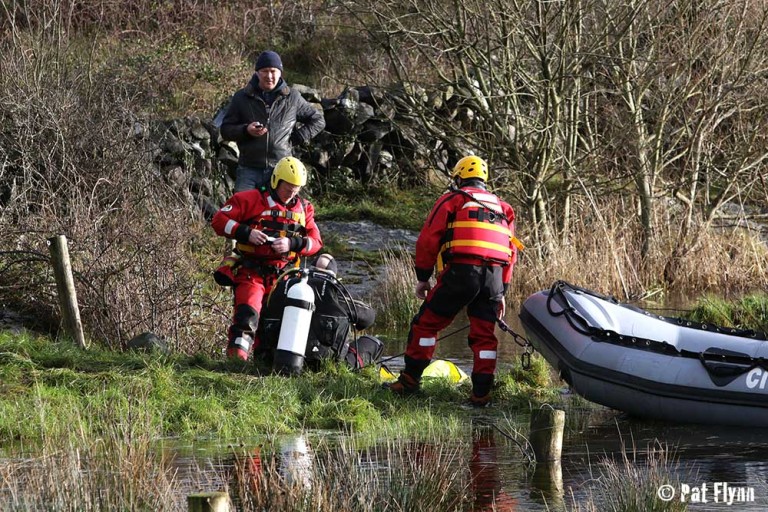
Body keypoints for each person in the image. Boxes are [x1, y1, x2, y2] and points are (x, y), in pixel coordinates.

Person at [385, 155, 518, 406]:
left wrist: (423, 277)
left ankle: (409, 381)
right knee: (484, 336)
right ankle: (481, 395)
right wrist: (502, 292)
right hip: (494, 279)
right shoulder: (504, 208)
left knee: (425, 325)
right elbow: (511, 253)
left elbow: (428, 239)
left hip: (462, 273)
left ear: (458, 178)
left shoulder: (453, 199)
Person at [211, 156, 322, 361]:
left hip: (284, 276)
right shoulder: (249, 199)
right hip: (252, 271)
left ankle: (264, 364)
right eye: (288, 188)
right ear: (276, 181)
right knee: (247, 317)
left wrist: (292, 244)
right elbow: (219, 221)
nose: (291, 194)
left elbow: (315, 242)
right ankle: (236, 362)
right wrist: (245, 233)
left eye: (296, 189)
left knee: (274, 324)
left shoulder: (304, 209)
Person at [220, 50, 326, 193]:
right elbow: (225, 130)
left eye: (273, 71)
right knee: (244, 212)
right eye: (264, 71)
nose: (269, 76)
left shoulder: (292, 97)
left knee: (277, 214)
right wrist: (246, 130)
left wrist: (295, 139)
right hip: (248, 169)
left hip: (282, 169)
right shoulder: (241, 97)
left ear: (280, 72)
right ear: (257, 73)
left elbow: (318, 120)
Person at [259, 253, 383, 370]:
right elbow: (368, 317)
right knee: (373, 343)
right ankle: (371, 375)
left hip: (278, 360)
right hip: (324, 365)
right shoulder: (334, 294)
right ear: (334, 277)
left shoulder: (286, 287)